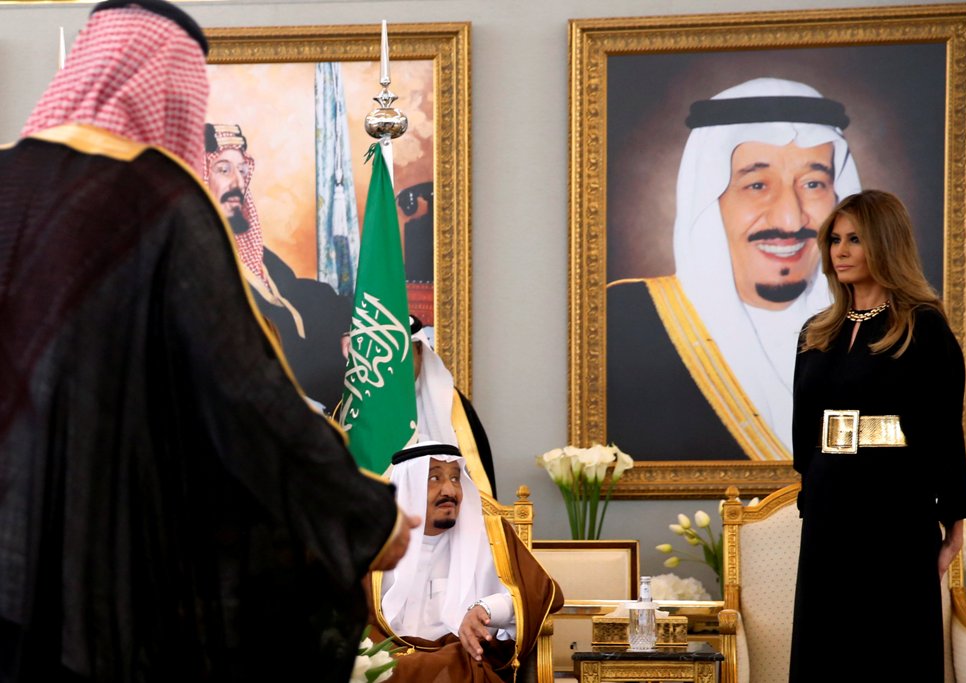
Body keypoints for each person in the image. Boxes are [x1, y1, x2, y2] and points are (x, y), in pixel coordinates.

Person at [0, 2, 415, 680]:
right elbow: (247, 395)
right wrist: (362, 514)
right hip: (100, 584)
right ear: (169, 88)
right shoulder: (156, 197)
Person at [607, 77, 862, 461]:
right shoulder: (628, 320)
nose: (791, 219)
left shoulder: (878, 328)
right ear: (709, 203)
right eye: (757, 185)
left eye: (813, 183)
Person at [788, 190, 966, 682]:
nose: (841, 251)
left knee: (891, 651)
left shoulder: (923, 327)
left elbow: (943, 428)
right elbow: (804, 429)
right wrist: (812, 492)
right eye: (835, 239)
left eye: (855, 239)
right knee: (825, 649)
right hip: (828, 508)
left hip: (894, 509)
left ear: (886, 245)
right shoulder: (816, 331)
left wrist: (953, 519)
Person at [372, 442, 562, 683]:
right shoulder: (374, 544)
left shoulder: (493, 536)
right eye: (434, 478)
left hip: (463, 662)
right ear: (409, 487)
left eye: (455, 478)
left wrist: (487, 609)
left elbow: (542, 593)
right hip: (390, 664)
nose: (449, 491)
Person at [204, 122, 353, 412]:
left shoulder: (257, 254)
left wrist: (345, 327)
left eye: (242, 170)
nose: (238, 182)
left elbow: (299, 295)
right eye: (223, 169)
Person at [410, 315, 497, 495]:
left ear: (419, 351)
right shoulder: (361, 412)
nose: (397, 366)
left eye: (404, 355)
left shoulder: (453, 405)